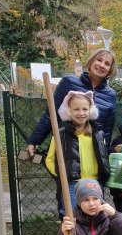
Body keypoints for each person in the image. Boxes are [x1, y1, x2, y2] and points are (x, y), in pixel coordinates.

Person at [26, 49, 117, 156]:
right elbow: (51, 114)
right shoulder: (69, 82)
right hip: (65, 148)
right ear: (91, 61)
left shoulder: (110, 95)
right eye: (99, 60)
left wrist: (104, 157)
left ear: (110, 70)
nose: (102, 65)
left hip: (91, 153)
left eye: (107, 64)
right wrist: (33, 141)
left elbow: (106, 130)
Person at [45, 90, 109, 218]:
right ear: (69, 111)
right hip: (72, 185)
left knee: (95, 217)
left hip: (94, 183)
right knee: (73, 218)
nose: (81, 113)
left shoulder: (97, 133)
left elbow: (103, 157)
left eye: (85, 109)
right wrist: (62, 175)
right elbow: (50, 160)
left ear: (90, 111)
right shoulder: (60, 134)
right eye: (76, 109)